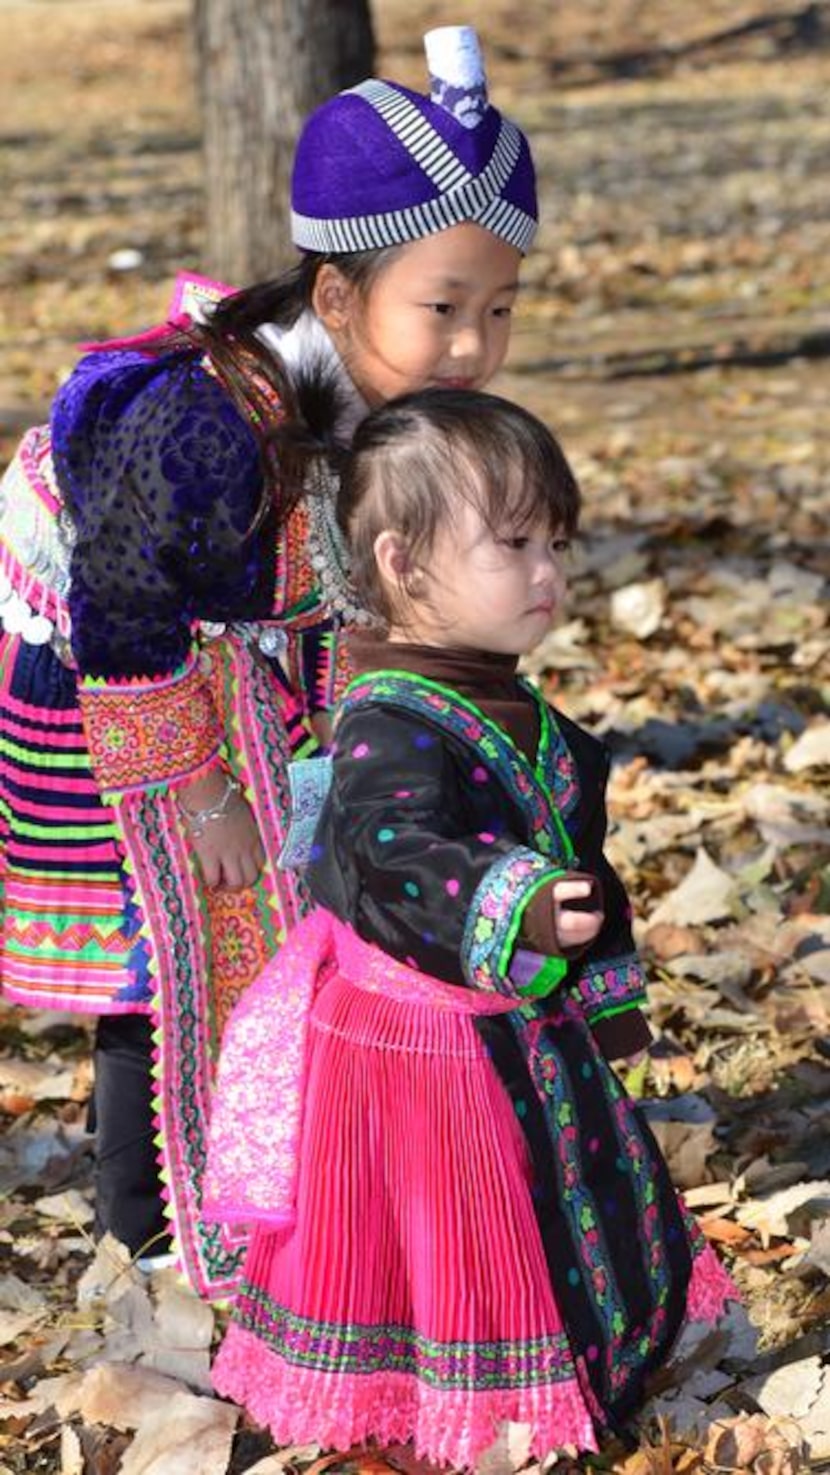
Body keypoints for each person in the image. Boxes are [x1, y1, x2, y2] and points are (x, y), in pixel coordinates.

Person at [0, 26, 538, 1298]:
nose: (472, 344)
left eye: (500, 307)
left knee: (300, 902)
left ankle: (295, 1165)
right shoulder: (203, 422)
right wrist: (199, 790)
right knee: (180, 929)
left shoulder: (360, 396)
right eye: (443, 308)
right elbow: (126, 600)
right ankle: (153, 1228)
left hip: (246, 655)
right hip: (115, 667)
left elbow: (333, 567)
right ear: (340, 297)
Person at [205, 388, 737, 1469]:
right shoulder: (388, 718)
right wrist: (511, 898)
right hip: (417, 1051)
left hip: (525, 1026)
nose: (547, 573)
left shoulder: (534, 718)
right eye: (512, 544)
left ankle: (587, 1364)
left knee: (566, 1193)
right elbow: (388, 852)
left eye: (556, 542)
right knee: (450, 1232)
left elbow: (585, 867)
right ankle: (457, 1397)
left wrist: (602, 996)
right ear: (401, 563)